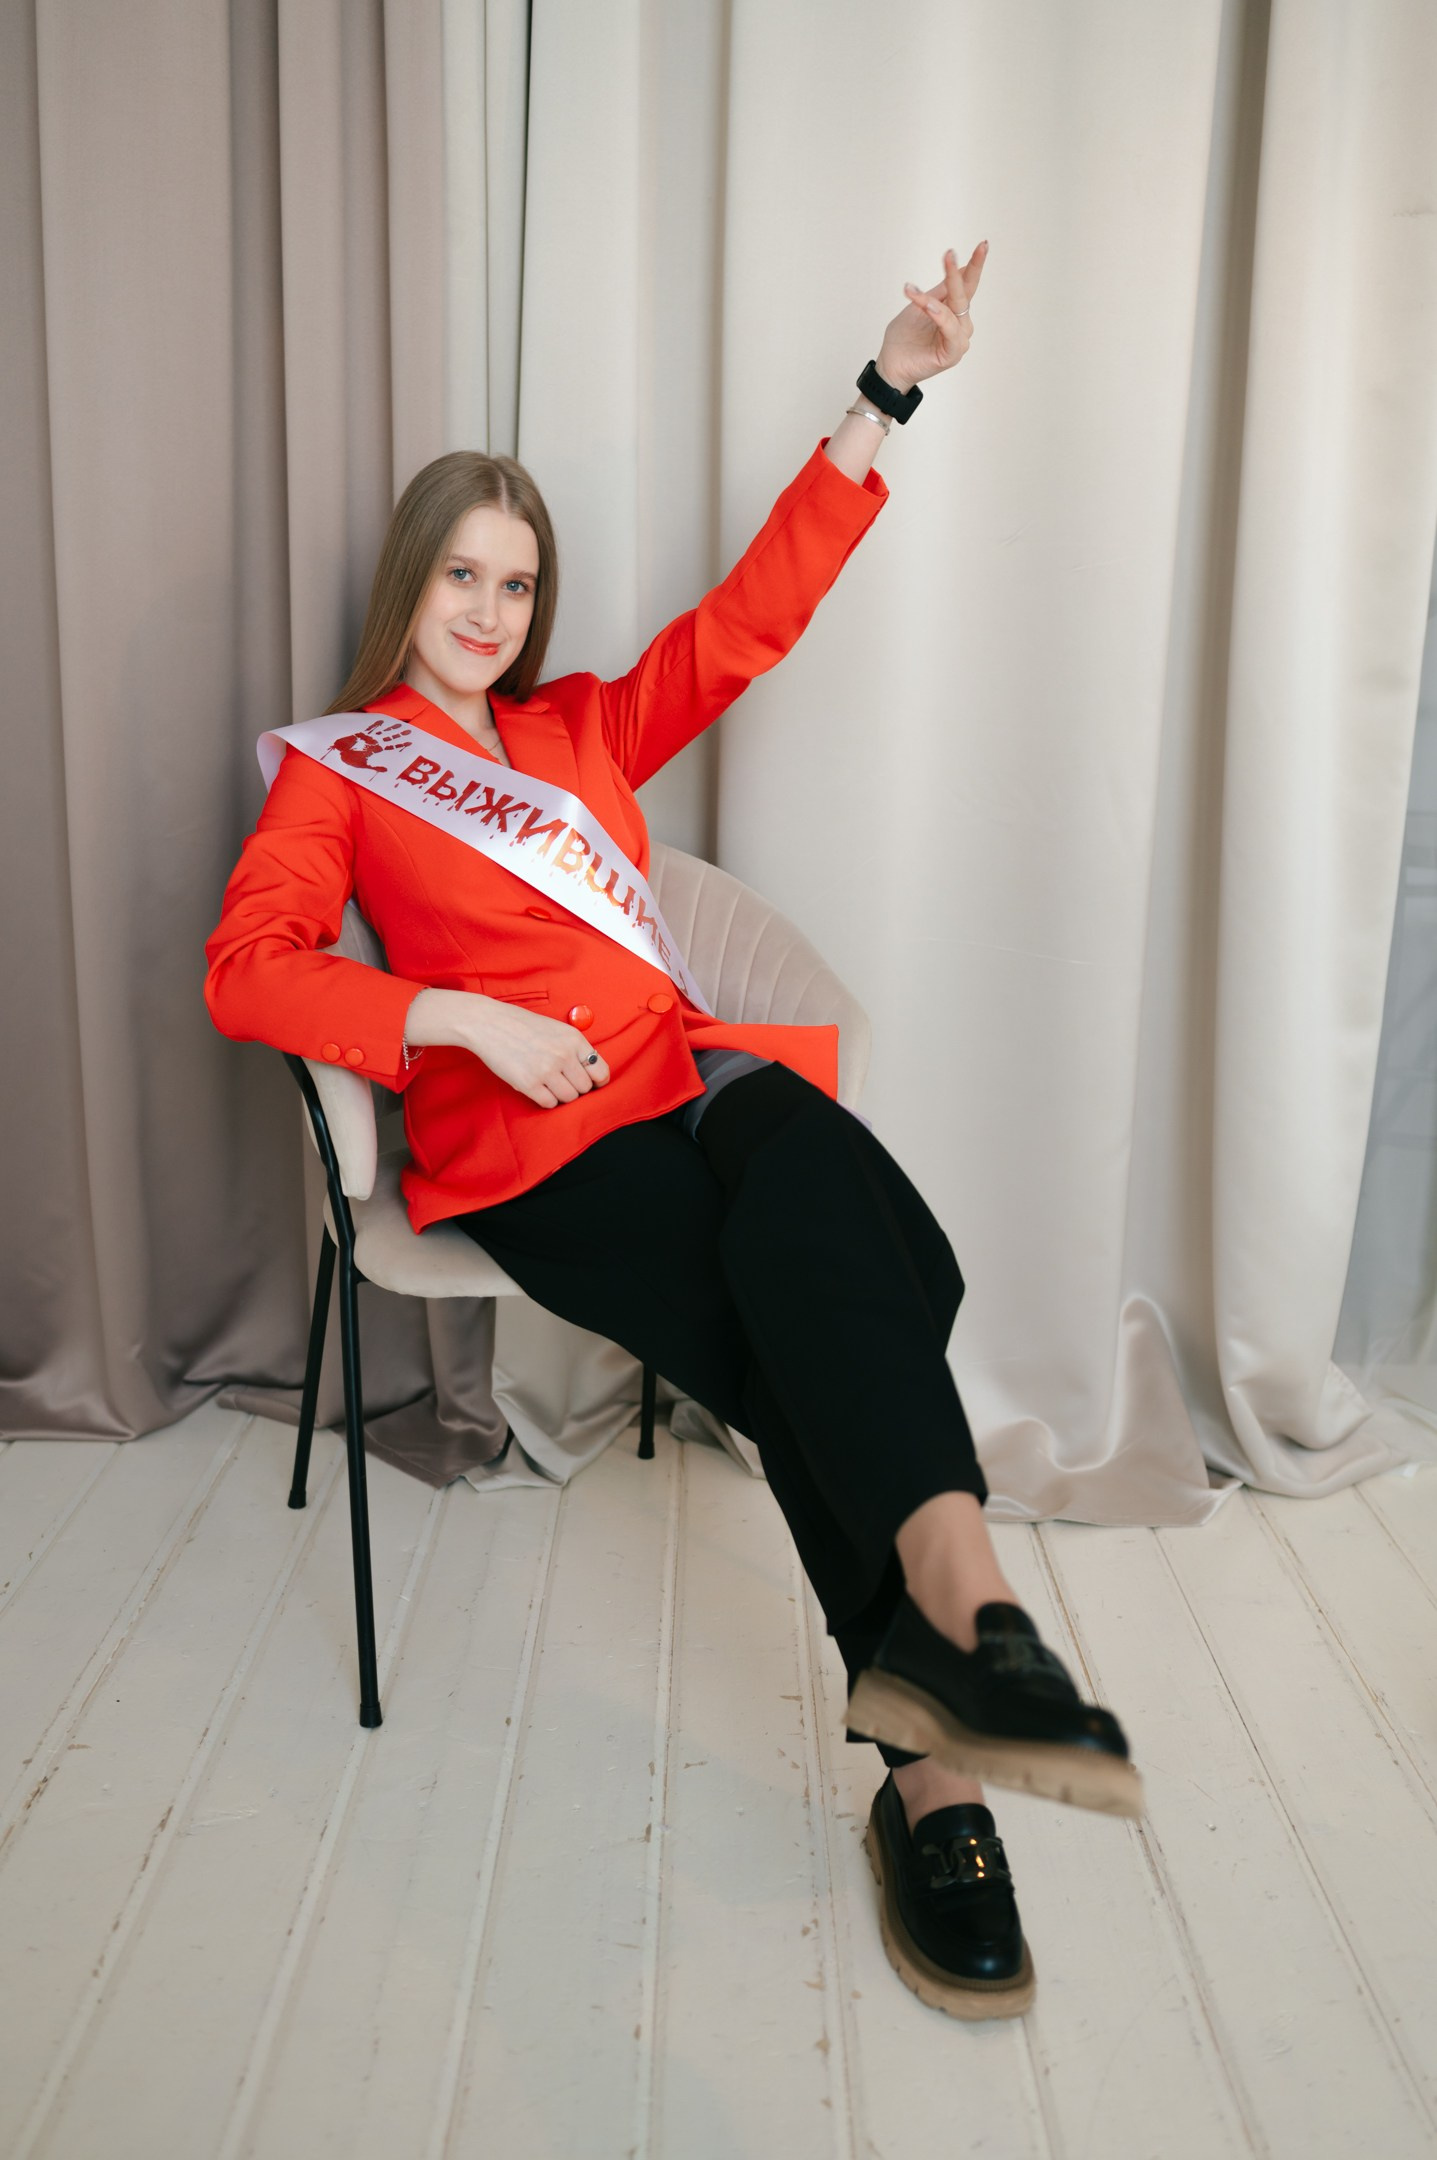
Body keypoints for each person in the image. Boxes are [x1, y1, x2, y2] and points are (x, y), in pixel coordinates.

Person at [205, 241, 1140, 2022]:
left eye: (516, 582)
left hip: (690, 1073)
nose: (489, 609)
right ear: (413, 581)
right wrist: (450, 1019)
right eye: (463, 574)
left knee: (871, 1244)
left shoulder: (574, 729)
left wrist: (886, 389)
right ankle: (939, 1748)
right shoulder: (340, 770)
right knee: (823, 1323)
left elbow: (746, 621)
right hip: (539, 1145)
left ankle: (953, 1636)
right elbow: (248, 969)